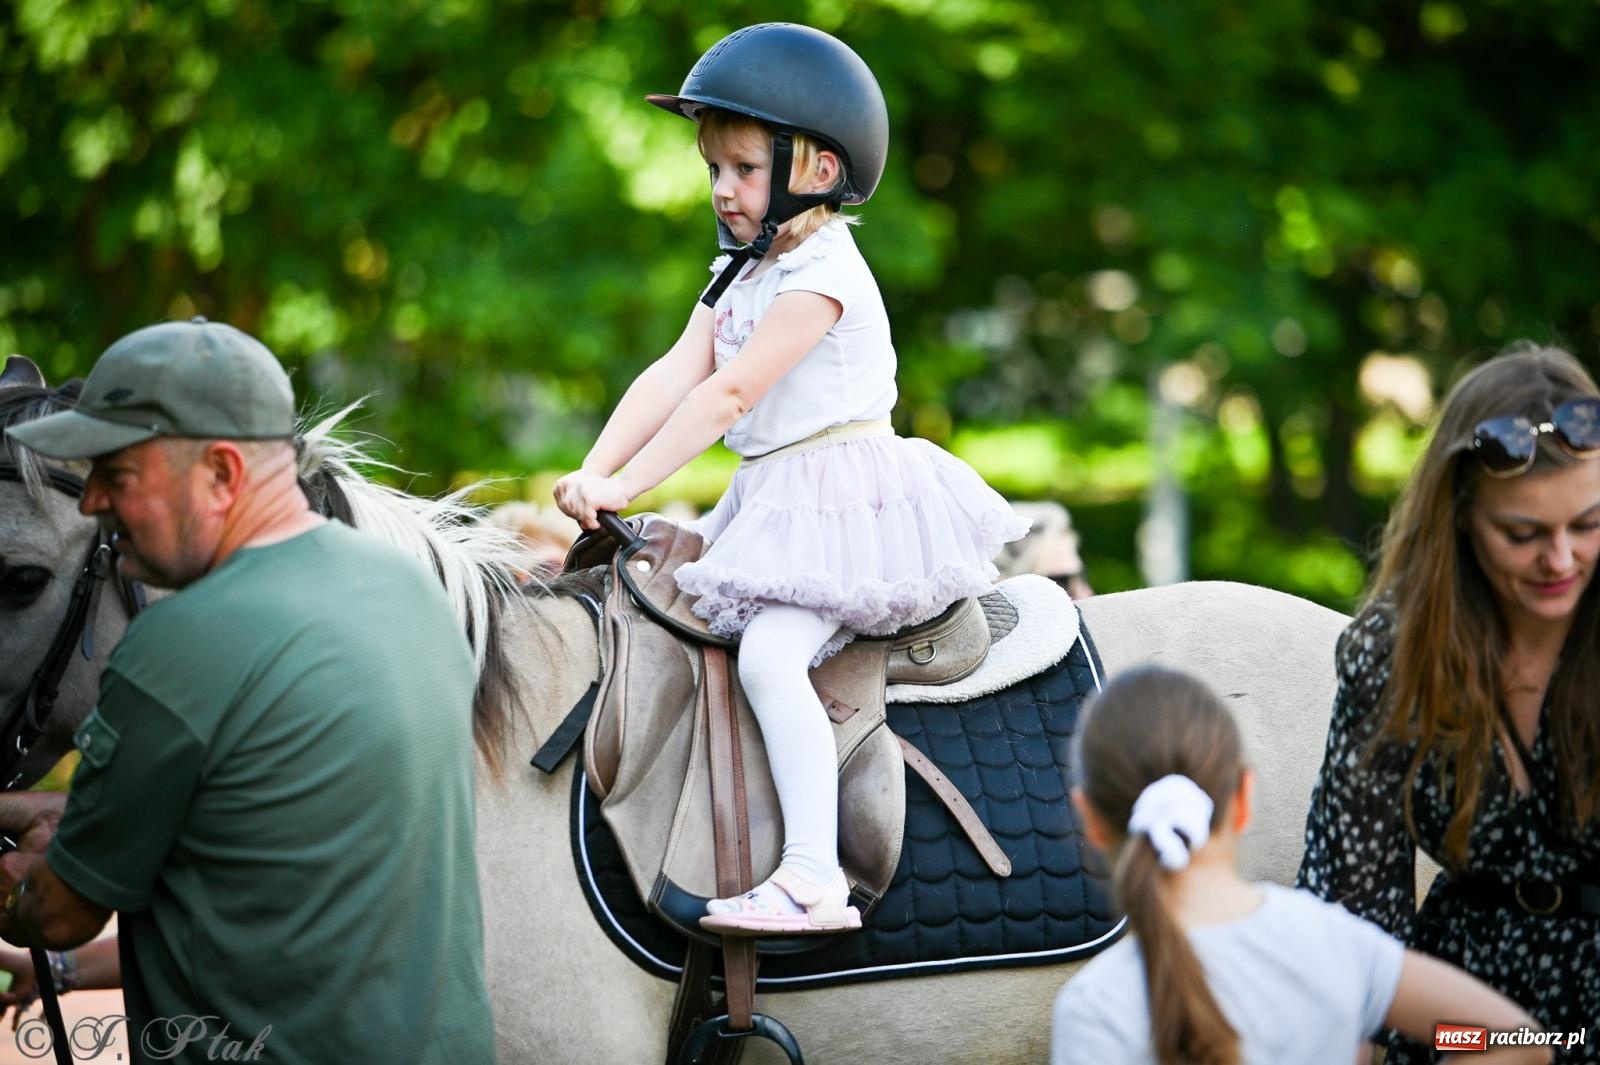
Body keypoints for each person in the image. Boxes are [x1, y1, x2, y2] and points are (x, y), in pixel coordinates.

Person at [552, 23, 1029, 934]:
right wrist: (597, 468)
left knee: (771, 654)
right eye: (714, 171)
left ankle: (814, 876)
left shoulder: (824, 272)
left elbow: (729, 395)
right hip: (776, 495)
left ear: (813, 169)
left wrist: (631, 488)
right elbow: (675, 372)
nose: (722, 190)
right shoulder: (741, 268)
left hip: (841, 501)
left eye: (741, 168)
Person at [0, 318, 495, 1063]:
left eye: (118, 474)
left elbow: (63, 914)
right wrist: (62, 813)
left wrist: (22, 881)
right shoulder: (407, 588)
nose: (93, 501)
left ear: (224, 475)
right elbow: (272, 816)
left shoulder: (176, 645)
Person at [1297, 342, 1600, 1061]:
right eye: (1523, 534)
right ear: (1460, 514)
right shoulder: (1394, 651)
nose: (1560, 560)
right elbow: (1353, 905)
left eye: (1587, 525)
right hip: (1461, 1020)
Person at [1054, 665, 1548, 1065]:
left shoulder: (1095, 1010)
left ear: (1091, 821)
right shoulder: (1335, 944)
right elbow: (1519, 1038)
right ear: (1244, 798)